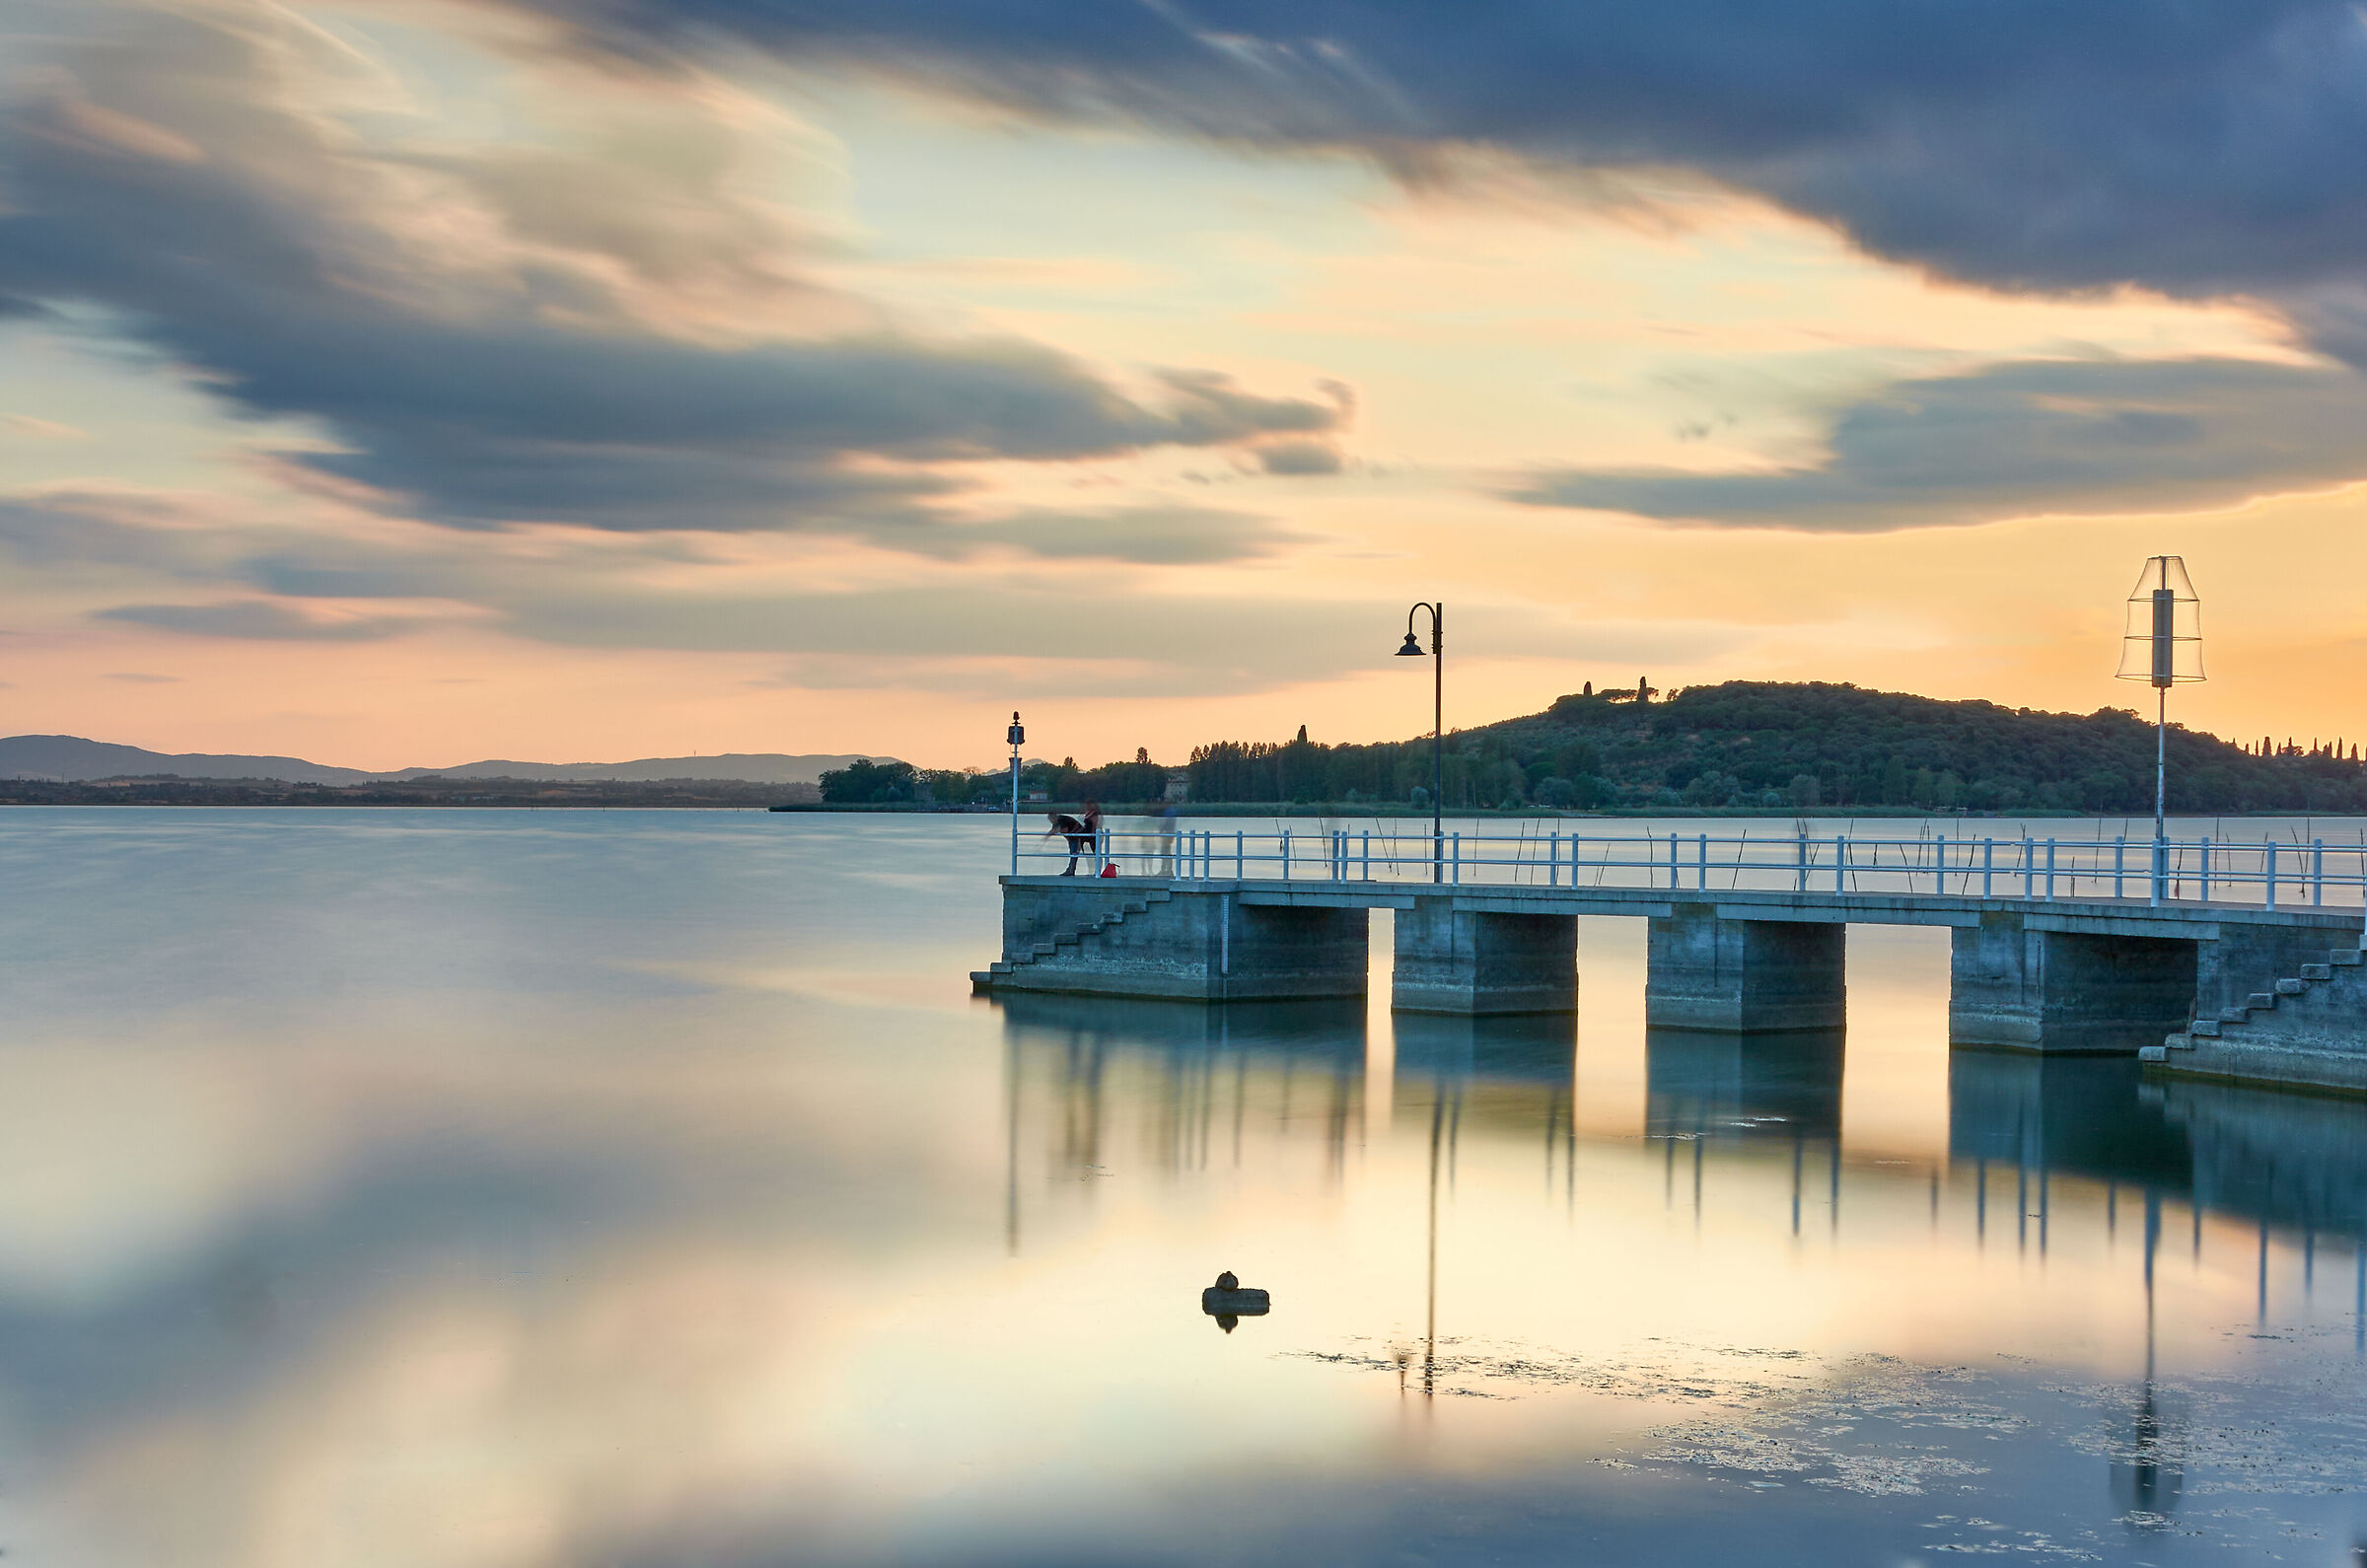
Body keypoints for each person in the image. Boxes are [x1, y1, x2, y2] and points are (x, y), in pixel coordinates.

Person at [1044, 811, 1093, 876]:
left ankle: (1071, 870)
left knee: (1074, 852)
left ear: (1055, 817)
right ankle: (1070, 869)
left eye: (1051, 819)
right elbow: (1053, 830)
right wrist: (1046, 837)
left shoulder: (1062, 820)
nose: (1051, 821)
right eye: (1049, 819)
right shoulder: (1056, 822)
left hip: (1078, 835)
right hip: (1072, 837)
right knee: (1073, 853)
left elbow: (1065, 830)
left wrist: (1056, 831)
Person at [1158, 800, 1180, 876]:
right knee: (1166, 851)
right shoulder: (1172, 810)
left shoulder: (1168, 811)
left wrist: (1161, 830)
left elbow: (1166, 822)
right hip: (1170, 832)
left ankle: (1165, 869)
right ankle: (1167, 869)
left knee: (1165, 851)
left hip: (1167, 833)